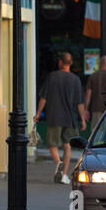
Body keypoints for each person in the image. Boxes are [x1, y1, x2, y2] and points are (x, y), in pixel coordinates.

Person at [33, 52, 86, 184]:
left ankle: (58, 162)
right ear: (71, 63)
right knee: (67, 145)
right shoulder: (75, 80)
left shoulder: (52, 77)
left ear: (60, 63)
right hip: (70, 117)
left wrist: (38, 113)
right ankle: (63, 174)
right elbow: (80, 103)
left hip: (54, 116)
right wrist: (83, 119)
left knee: (52, 144)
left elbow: (44, 97)